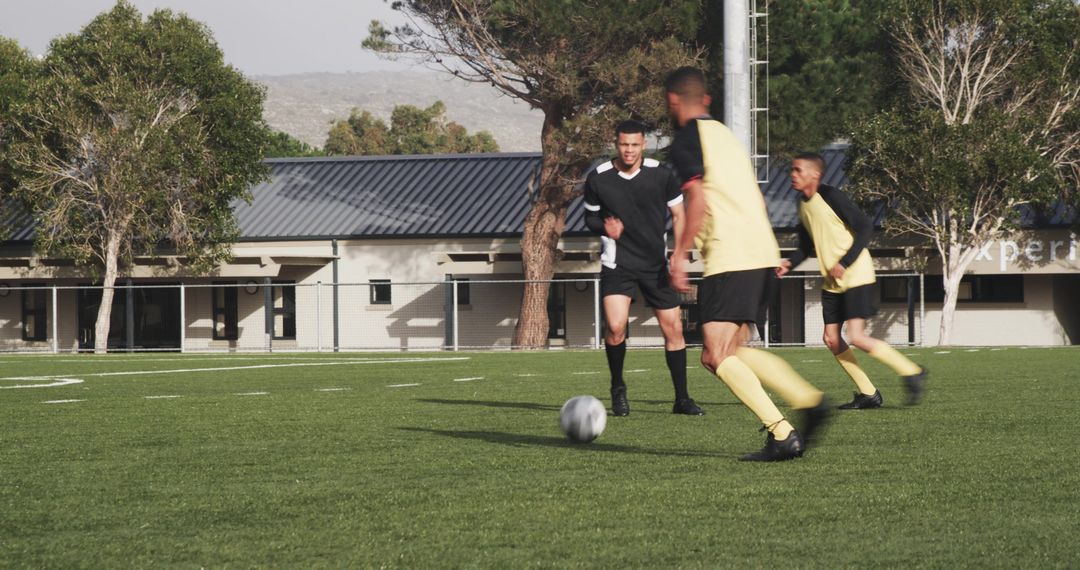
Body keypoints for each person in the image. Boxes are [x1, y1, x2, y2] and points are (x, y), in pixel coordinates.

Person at [665, 67, 829, 461]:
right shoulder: (725, 135)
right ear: (705, 99)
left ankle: (783, 432)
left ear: (673, 102)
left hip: (730, 254)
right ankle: (807, 401)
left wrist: (680, 253)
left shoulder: (687, 141)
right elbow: (753, 197)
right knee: (729, 352)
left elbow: (698, 202)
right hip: (760, 249)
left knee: (715, 355)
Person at [778, 152, 927, 408]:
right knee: (831, 339)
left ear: (815, 174)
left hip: (856, 274)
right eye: (792, 170)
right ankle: (868, 393)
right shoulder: (802, 203)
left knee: (856, 336)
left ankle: (912, 371)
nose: (793, 174)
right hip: (832, 281)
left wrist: (845, 262)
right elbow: (806, 246)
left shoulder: (832, 196)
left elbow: (866, 226)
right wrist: (789, 263)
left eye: (798, 170)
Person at [583, 120, 704, 417]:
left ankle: (682, 399)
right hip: (617, 263)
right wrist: (604, 227)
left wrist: (678, 254)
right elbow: (590, 220)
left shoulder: (661, 175)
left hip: (655, 265)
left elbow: (679, 214)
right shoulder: (599, 178)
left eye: (634, 145)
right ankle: (618, 389)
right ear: (616, 144)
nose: (629, 150)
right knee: (615, 327)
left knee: (674, 329)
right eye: (624, 144)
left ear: (643, 144)